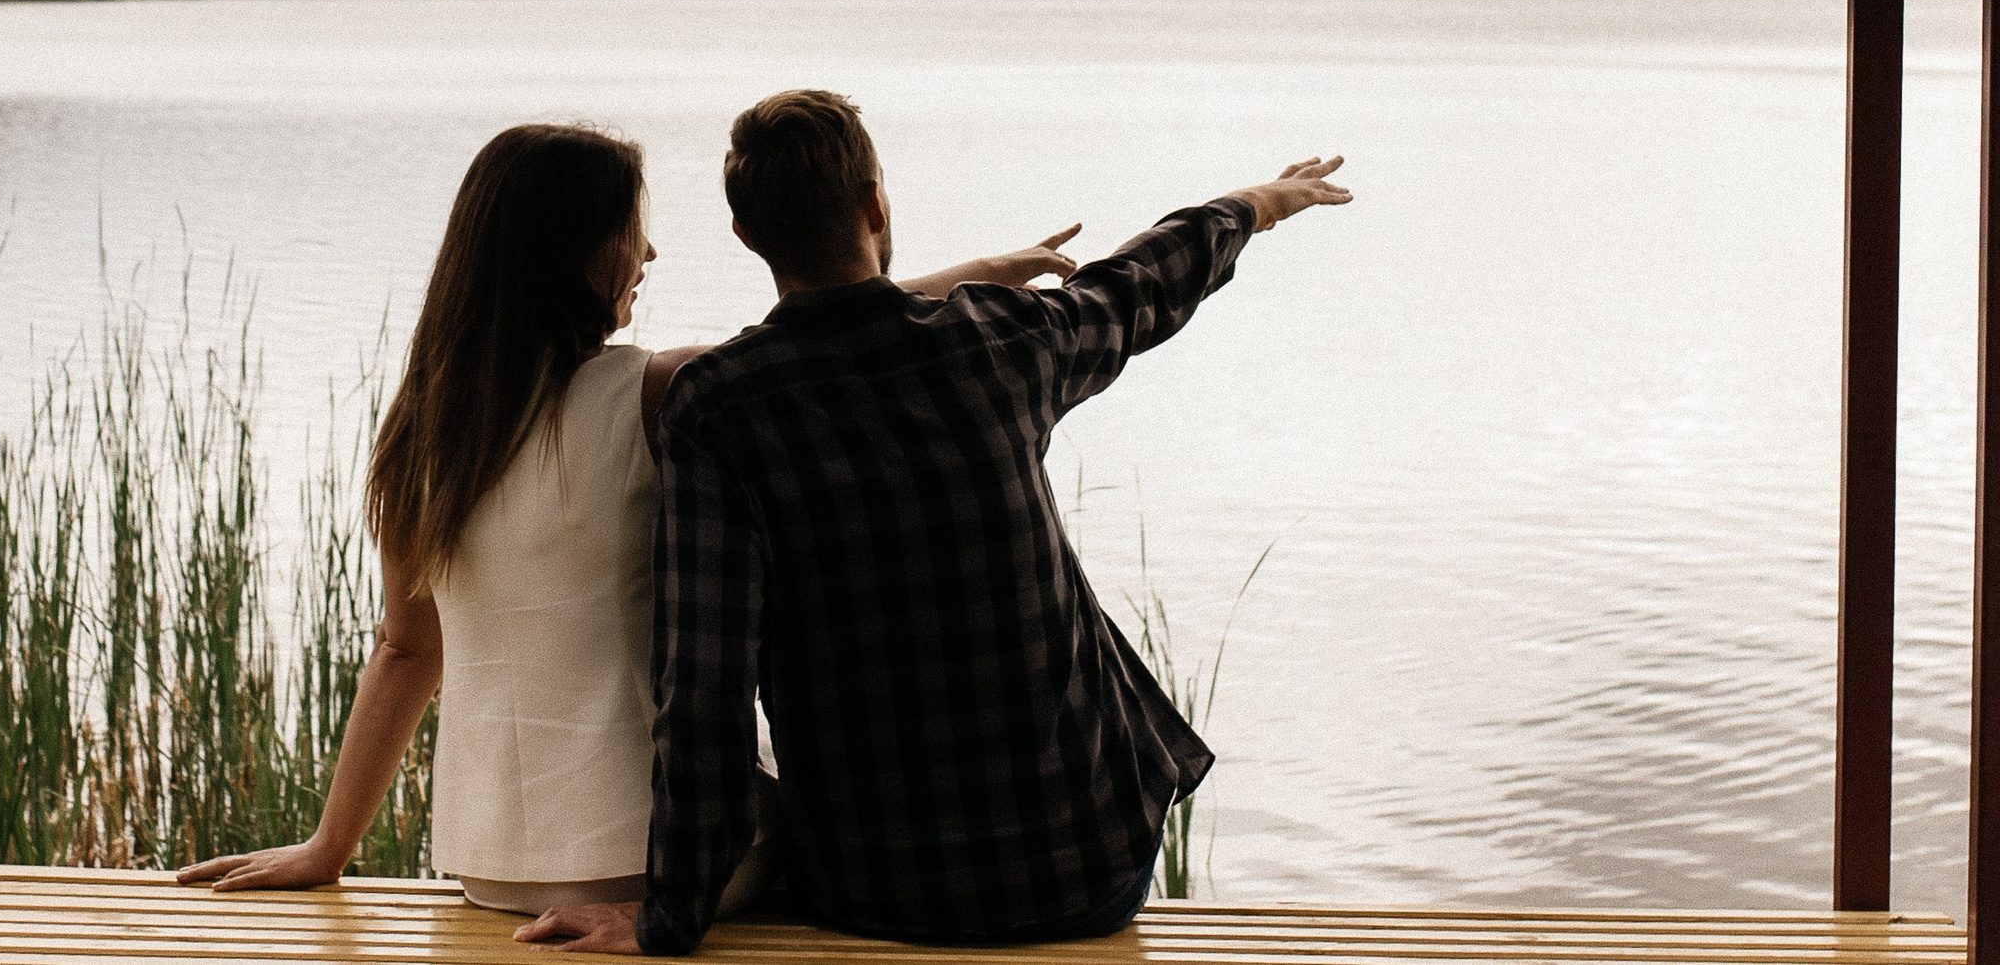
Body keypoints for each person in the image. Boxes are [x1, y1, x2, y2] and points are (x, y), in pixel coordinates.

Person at [514, 90, 1352, 956]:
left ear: (748, 236)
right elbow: (1137, 285)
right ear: (876, 204)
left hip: (869, 891)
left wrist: (668, 916)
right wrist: (1253, 206)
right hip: (1086, 872)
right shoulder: (998, 341)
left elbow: (704, 688)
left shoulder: (720, 405)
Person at [176, 120, 1084, 914]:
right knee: (854, 833)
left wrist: (326, 848)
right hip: (657, 857)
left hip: (492, 868)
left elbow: (406, 648)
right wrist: (983, 277)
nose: (647, 254)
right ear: (574, 251)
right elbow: (813, 346)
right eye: (630, 231)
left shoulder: (426, 428)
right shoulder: (651, 392)